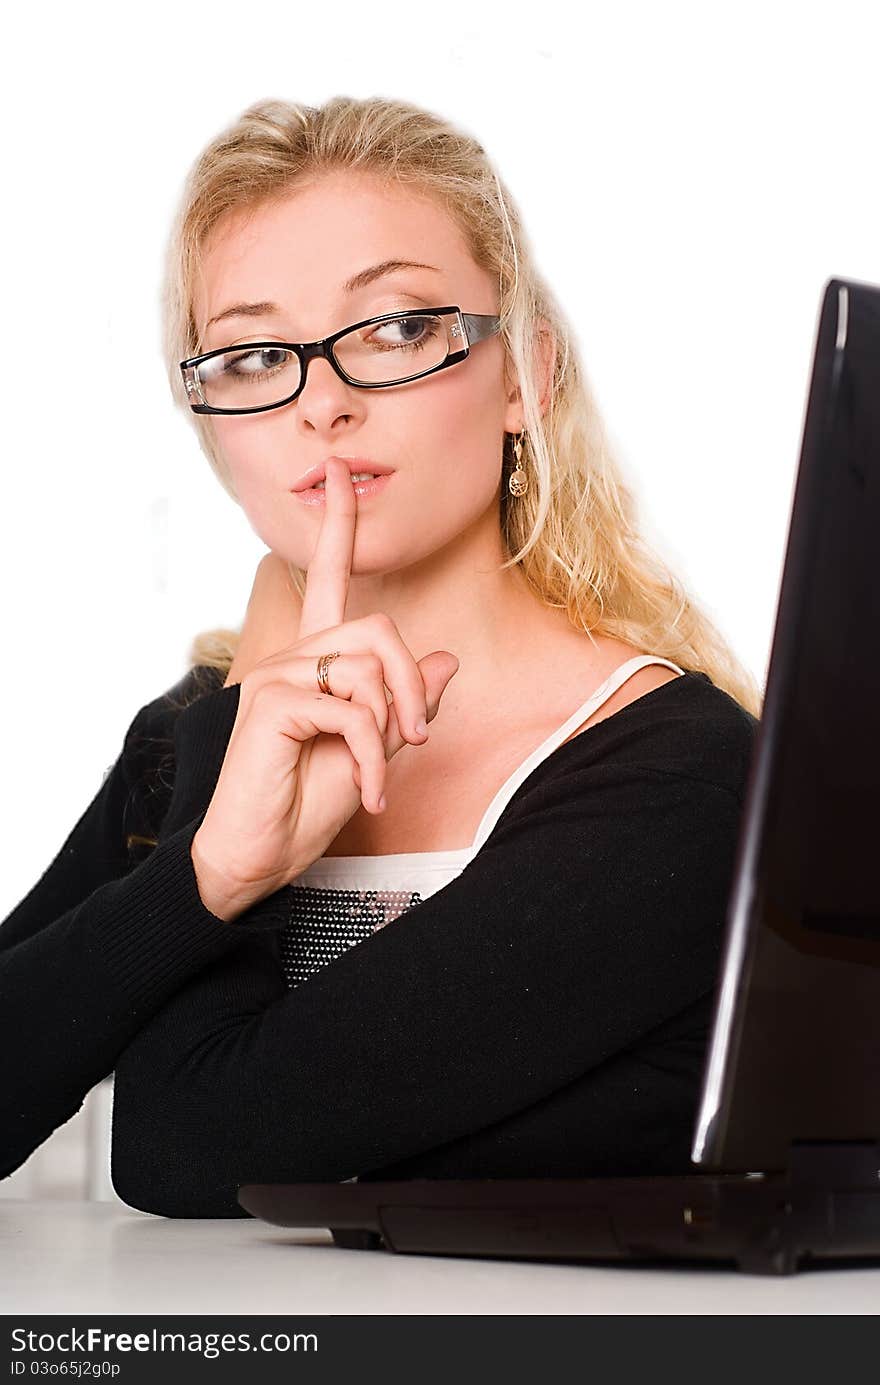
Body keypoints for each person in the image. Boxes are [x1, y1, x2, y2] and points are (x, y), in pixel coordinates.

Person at [0, 96, 762, 1217]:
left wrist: (255, 708)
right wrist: (209, 859)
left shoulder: (683, 779)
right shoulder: (190, 739)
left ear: (522, 378)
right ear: (213, 420)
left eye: (396, 328)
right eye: (257, 355)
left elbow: (186, 1142)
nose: (323, 402)